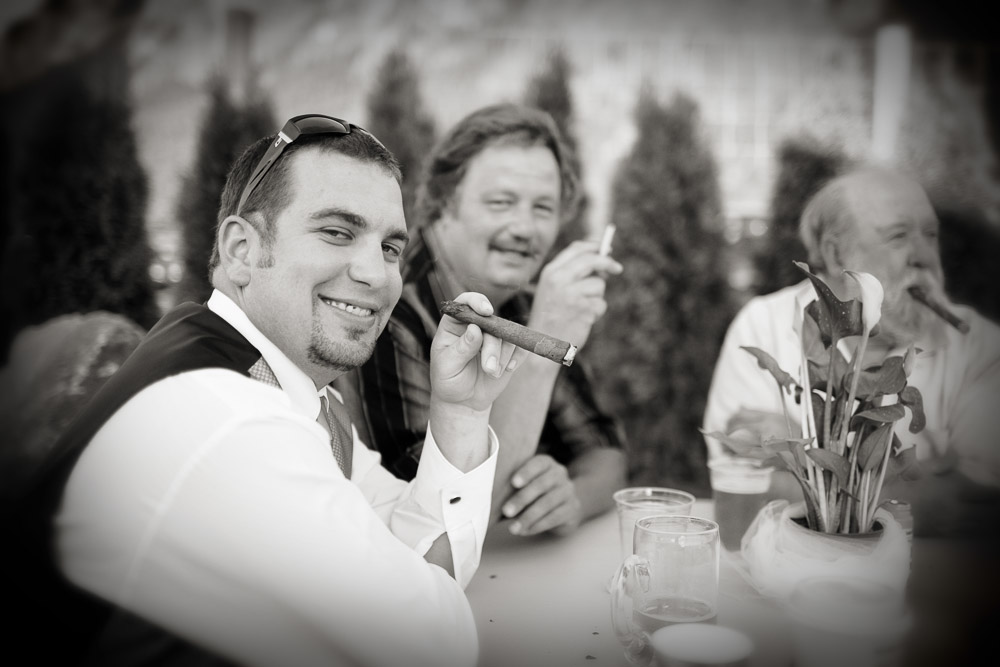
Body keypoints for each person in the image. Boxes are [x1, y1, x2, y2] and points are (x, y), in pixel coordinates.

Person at [3, 114, 526, 666]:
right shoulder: (230, 418)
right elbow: (431, 645)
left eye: (391, 248)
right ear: (241, 250)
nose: (378, 275)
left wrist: (462, 409)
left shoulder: (286, 387)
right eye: (337, 232)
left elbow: (420, 552)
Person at [354, 103, 627, 537]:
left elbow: (605, 453)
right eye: (502, 202)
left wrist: (571, 497)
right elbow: (440, 520)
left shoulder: (527, 300)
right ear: (445, 202)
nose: (525, 228)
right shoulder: (391, 307)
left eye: (544, 208)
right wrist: (545, 344)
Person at [703, 166, 1000, 534]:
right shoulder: (764, 325)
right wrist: (908, 481)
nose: (924, 256)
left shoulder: (980, 346)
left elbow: (974, 505)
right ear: (836, 254)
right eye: (898, 236)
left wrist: (804, 453)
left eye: (930, 235)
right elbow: (745, 490)